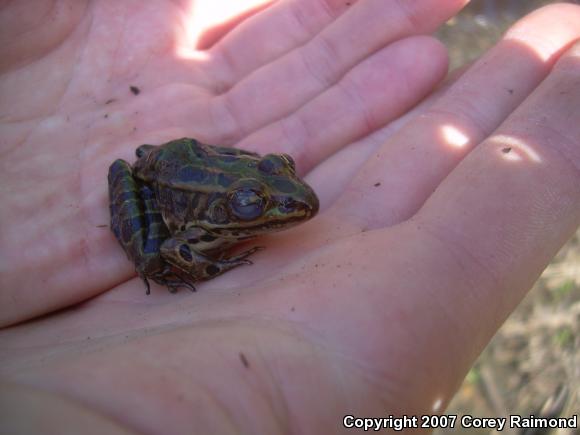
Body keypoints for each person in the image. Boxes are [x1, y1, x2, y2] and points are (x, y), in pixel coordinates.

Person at [0, 0, 578, 433]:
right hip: (161, 181)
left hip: (181, 157)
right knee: (156, 255)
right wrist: (198, 265)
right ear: (237, 210)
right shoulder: (201, 226)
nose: (290, 205)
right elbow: (178, 250)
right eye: (259, 204)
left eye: (278, 178)